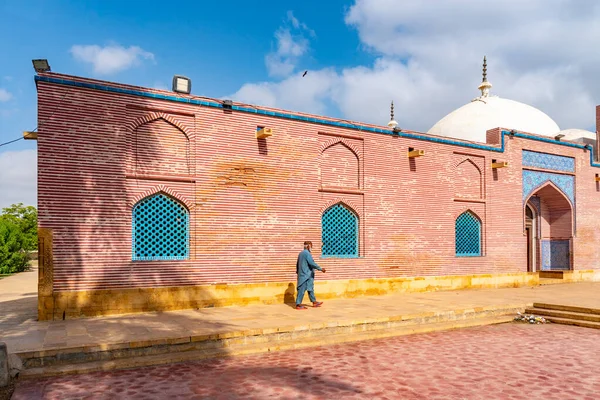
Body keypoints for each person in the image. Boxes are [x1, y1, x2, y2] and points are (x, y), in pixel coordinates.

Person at [295, 241, 326, 310]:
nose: (311, 248)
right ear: (309, 246)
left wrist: (298, 272)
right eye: (311, 246)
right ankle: (298, 304)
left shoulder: (301, 254)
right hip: (305, 275)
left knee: (310, 288)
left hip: (307, 275)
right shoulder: (307, 254)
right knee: (301, 290)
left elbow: (297, 264)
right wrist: (320, 269)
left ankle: (314, 302)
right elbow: (312, 263)